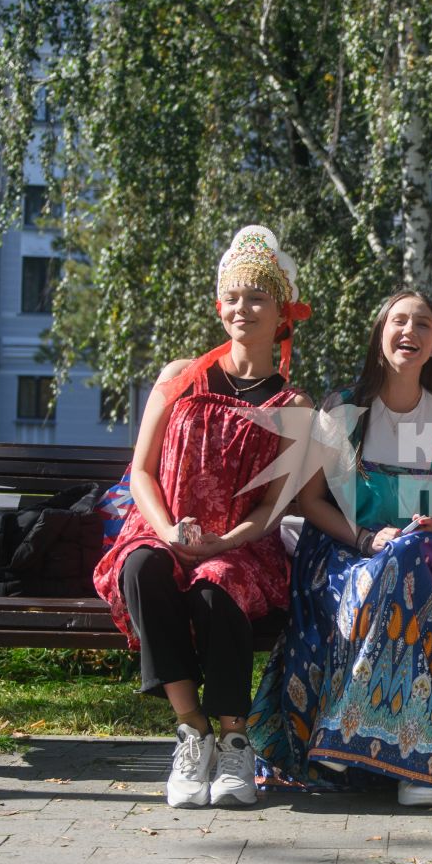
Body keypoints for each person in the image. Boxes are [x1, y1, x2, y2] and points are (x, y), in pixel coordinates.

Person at [92, 225, 313, 809]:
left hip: (241, 542)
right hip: (162, 528)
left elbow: (273, 507)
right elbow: (141, 471)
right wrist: (165, 530)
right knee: (141, 569)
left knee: (219, 591)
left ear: (282, 312)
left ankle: (236, 741)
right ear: (220, 306)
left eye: (258, 297)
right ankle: (193, 731)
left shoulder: (293, 407)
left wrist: (223, 543)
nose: (243, 308)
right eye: (233, 297)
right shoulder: (179, 377)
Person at [246, 289, 432, 806]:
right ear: (380, 336)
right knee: (385, 574)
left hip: (416, 555)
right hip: (341, 550)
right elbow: (310, 502)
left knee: (401, 566)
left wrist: (427, 522)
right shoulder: (343, 409)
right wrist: (364, 538)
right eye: (400, 322)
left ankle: (343, 726)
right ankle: (417, 767)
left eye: (424, 325)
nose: (411, 333)